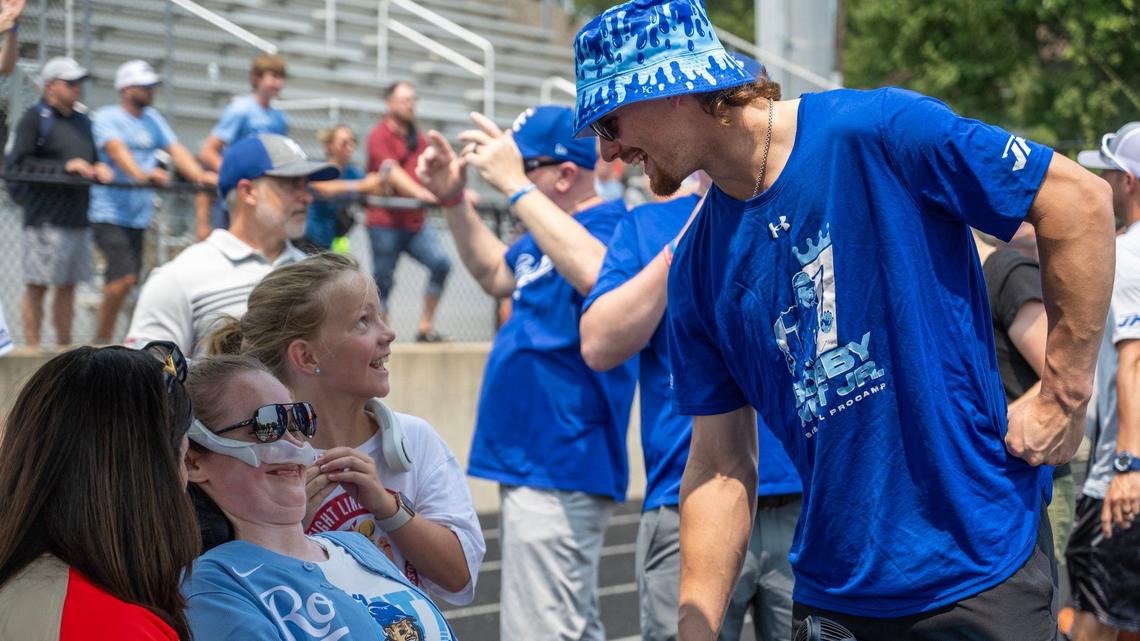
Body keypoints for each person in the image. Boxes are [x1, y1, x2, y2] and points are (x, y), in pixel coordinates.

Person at [572, 1, 1116, 640]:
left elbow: (1079, 202)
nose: (608, 149)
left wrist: (1064, 393)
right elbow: (720, 467)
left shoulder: (876, 129)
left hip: (977, 569)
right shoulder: (694, 266)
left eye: (610, 120)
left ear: (674, 89)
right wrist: (695, 630)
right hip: (836, 598)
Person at [416, 104, 637, 641]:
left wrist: (517, 187)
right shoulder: (547, 232)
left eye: (524, 164)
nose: (507, 177)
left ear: (563, 174)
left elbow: (598, 275)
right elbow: (497, 271)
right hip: (536, 461)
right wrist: (453, 199)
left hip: (561, 459)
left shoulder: (606, 222)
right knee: (564, 626)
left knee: (542, 631)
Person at [581, 143, 802, 641]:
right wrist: (686, 245)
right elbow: (599, 344)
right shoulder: (647, 226)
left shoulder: (801, 209)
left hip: (804, 500)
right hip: (688, 503)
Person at [200, 251, 485, 605]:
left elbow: (458, 578)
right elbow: (220, 586)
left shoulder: (414, 440)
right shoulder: (256, 457)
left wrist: (390, 509)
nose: (390, 333)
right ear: (306, 357)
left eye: (380, 316)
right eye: (363, 321)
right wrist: (286, 524)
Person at [180, 354, 458, 640]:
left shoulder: (355, 546)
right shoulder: (214, 586)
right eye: (266, 425)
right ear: (193, 463)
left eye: (300, 420)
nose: (293, 443)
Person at [0, 342, 199, 640]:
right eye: (184, 457)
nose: (187, 479)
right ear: (148, 474)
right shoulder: (111, 625)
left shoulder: (30, 584)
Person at [124, 133, 337, 355]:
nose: (307, 197)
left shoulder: (314, 273)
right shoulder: (180, 278)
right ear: (248, 192)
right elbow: (147, 378)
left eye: (306, 185)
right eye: (292, 184)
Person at [1066, 122, 1140, 641]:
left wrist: (1127, 466)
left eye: (1111, 172)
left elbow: (1134, 364)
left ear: (1130, 181)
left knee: (1096, 618)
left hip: (1121, 478)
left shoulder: (1130, 255)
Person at [977, 222, 1076, 606]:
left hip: (1038, 482)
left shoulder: (1005, 274)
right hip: (996, 484)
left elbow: (1062, 375)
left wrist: (988, 429)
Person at [89, 60, 217, 344]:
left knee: (128, 280)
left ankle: (109, 340)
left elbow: (176, 149)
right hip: (108, 212)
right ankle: (101, 341)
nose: (150, 91)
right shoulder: (107, 117)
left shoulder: (153, 119)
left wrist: (199, 176)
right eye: (144, 86)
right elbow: (116, 150)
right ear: (126, 89)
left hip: (138, 215)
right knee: (121, 280)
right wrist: (142, 174)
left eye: (151, 86)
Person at [5, 57, 112, 351]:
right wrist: (65, 167)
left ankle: (64, 349)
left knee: (68, 286)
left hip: (77, 217)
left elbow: (88, 159)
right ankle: (32, 348)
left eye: (79, 83)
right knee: (38, 284)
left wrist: (98, 168)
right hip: (45, 218)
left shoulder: (82, 120)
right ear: (51, 86)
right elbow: (19, 164)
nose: (77, 89)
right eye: (70, 83)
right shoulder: (34, 118)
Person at [366, 81, 452, 342]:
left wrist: (450, 190)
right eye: (405, 100)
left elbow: (430, 172)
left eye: (413, 99)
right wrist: (421, 194)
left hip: (414, 221)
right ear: (390, 103)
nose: (410, 104)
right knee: (383, 282)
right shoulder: (378, 135)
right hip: (385, 222)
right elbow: (389, 170)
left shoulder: (419, 136)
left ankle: (425, 328)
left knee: (441, 263)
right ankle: (382, 337)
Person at [195, 53, 289, 238]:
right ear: (256, 78)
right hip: (237, 200)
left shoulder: (280, 118)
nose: (277, 83)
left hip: (266, 198)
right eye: (273, 76)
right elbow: (208, 151)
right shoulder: (240, 109)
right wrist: (233, 175)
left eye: (281, 77)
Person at [302, 124, 385, 252]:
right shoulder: (318, 168)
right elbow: (324, 188)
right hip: (306, 238)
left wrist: (373, 182)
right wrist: (362, 185)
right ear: (329, 146)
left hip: (328, 240)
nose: (349, 147)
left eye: (352, 142)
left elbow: (376, 190)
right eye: (344, 143)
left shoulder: (352, 173)